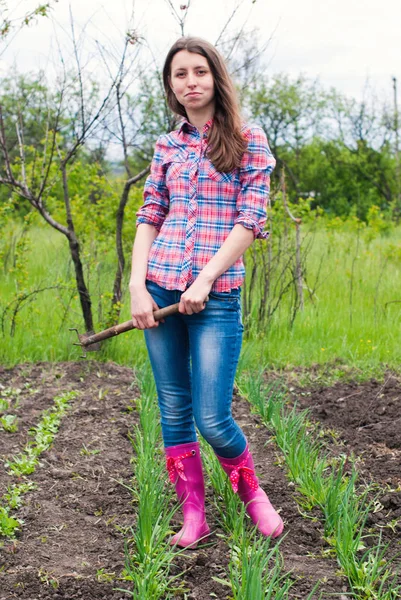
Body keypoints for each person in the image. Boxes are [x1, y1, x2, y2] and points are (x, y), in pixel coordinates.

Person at [129, 36, 283, 549]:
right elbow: (150, 215)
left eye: (198, 72)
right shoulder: (167, 145)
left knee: (212, 415)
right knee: (172, 406)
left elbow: (250, 219)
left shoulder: (247, 139)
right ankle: (193, 514)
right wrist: (137, 285)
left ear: (215, 77)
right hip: (160, 288)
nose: (190, 82)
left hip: (213, 297)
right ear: (171, 86)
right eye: (179, 75)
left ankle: (253, 494)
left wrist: (206, 278)